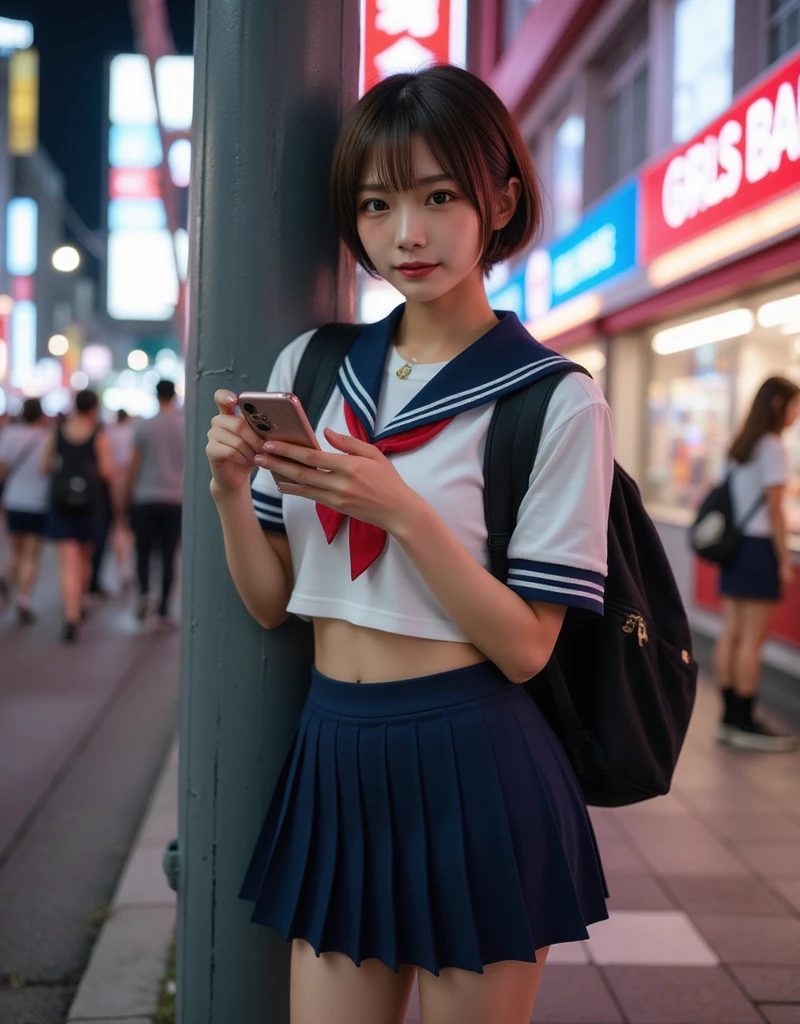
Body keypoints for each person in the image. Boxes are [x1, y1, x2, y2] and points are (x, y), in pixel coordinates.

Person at [207, 66, 613, 1024]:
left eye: (439, 196)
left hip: (474, 756)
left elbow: (526, 646)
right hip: (332, 750)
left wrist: (403, 512)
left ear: (501, 198)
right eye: (377, 204)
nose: (407, 235)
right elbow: (274, 603)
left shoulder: (554, 399)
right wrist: (231, 491)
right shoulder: (313, 366)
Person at [714, 376, 799, 752]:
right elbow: (776, 511)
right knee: (752, 639)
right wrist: (783, 560)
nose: (798, 413)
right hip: (759, 547)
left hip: (735, 548)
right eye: (796, 405)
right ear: (779, 404)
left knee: (731, 633)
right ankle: (745, 721)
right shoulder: (772, 447)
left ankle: (728, 717)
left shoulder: (740, 446)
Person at [42, 389, 114, 642]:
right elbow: (107, 472)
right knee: (84, 560)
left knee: (67, 564)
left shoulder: (58, 432)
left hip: (62, 504)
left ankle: (70, 615)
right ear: (94, 408)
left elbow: (45, 465)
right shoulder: (98, 435)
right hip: (90, 505)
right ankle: (79, 604)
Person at [127, 379, 184, 624]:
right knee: (169, 555)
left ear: (156, 395)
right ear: (174, 395)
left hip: (146, 497)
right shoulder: (185, 426)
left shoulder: (144, 426)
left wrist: (126, 494)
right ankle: (163, 609)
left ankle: (144, 593)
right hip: (175, 498)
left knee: (142, 551)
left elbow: (134, 464)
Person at [0, 398, 52, 624]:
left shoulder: (10, 434)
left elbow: (2, 469)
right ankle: (23, 598)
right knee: (31, 553)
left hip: (13, 499)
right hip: (38, 502)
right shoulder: (48, 438)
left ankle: (8, 580)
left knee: (16, 549)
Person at [103, 408, 136, 592]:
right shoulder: (132, 433)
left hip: (114, 484)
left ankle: (122, 565)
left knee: (118, 526)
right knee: (127, 527)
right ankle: (126, 566)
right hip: (129, 484)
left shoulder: (110, 434)